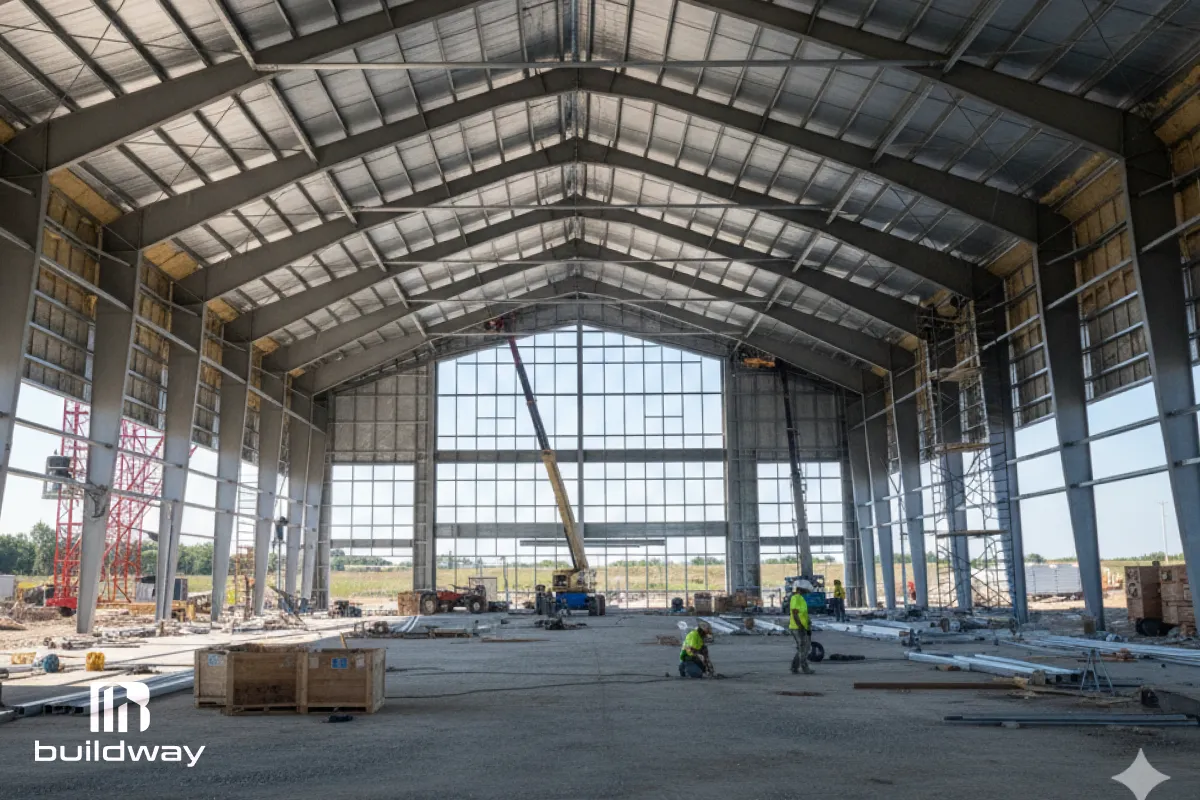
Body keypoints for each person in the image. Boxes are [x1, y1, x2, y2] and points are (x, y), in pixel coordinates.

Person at [789, 579, 814, 675]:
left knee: (803, 648)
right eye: (806, 590)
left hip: (804, 627)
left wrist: (808, 624)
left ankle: (794, 667)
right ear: (801, 589)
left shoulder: (802, 598)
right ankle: (804, 668)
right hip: (797, 627)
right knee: (803, 648)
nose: (807, 592)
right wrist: (800, 627)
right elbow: (795, 614)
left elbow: (803, 614)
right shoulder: (795, 598)